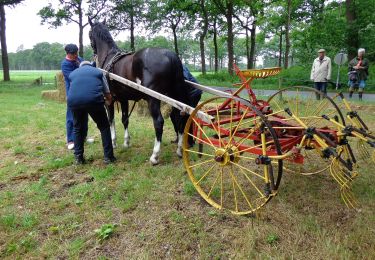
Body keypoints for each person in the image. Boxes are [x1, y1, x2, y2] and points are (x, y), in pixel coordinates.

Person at [67, 61, 116, 165]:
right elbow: (107, 92)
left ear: (80, 67)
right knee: (104, 127)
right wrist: (108, 101)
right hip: (93, 101)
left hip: (74, 102)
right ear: (91, 65)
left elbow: (73, 90)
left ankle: (78, 158)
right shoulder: (97, 72)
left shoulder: (73, 73)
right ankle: (108, 157)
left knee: (77, 128)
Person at [61, 44, 88, 150]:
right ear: (68, 54)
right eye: (74, 54)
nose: (76, 55)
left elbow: (87, 68)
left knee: (85, 116)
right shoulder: (65, 64)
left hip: (83, 91)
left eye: (77, 53)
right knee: (71, 117)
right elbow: (73, 77)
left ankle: (83, 137)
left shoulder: (79, 59)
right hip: (72, 93)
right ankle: (71, 140)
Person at [170, 65, 202, 146]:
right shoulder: (168, 68)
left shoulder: (180, 67)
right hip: (183, 95)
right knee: (173, 115)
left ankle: (190, 141)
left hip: (193, 93)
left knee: (186, 116)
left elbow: (185, 79)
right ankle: (179, 136)